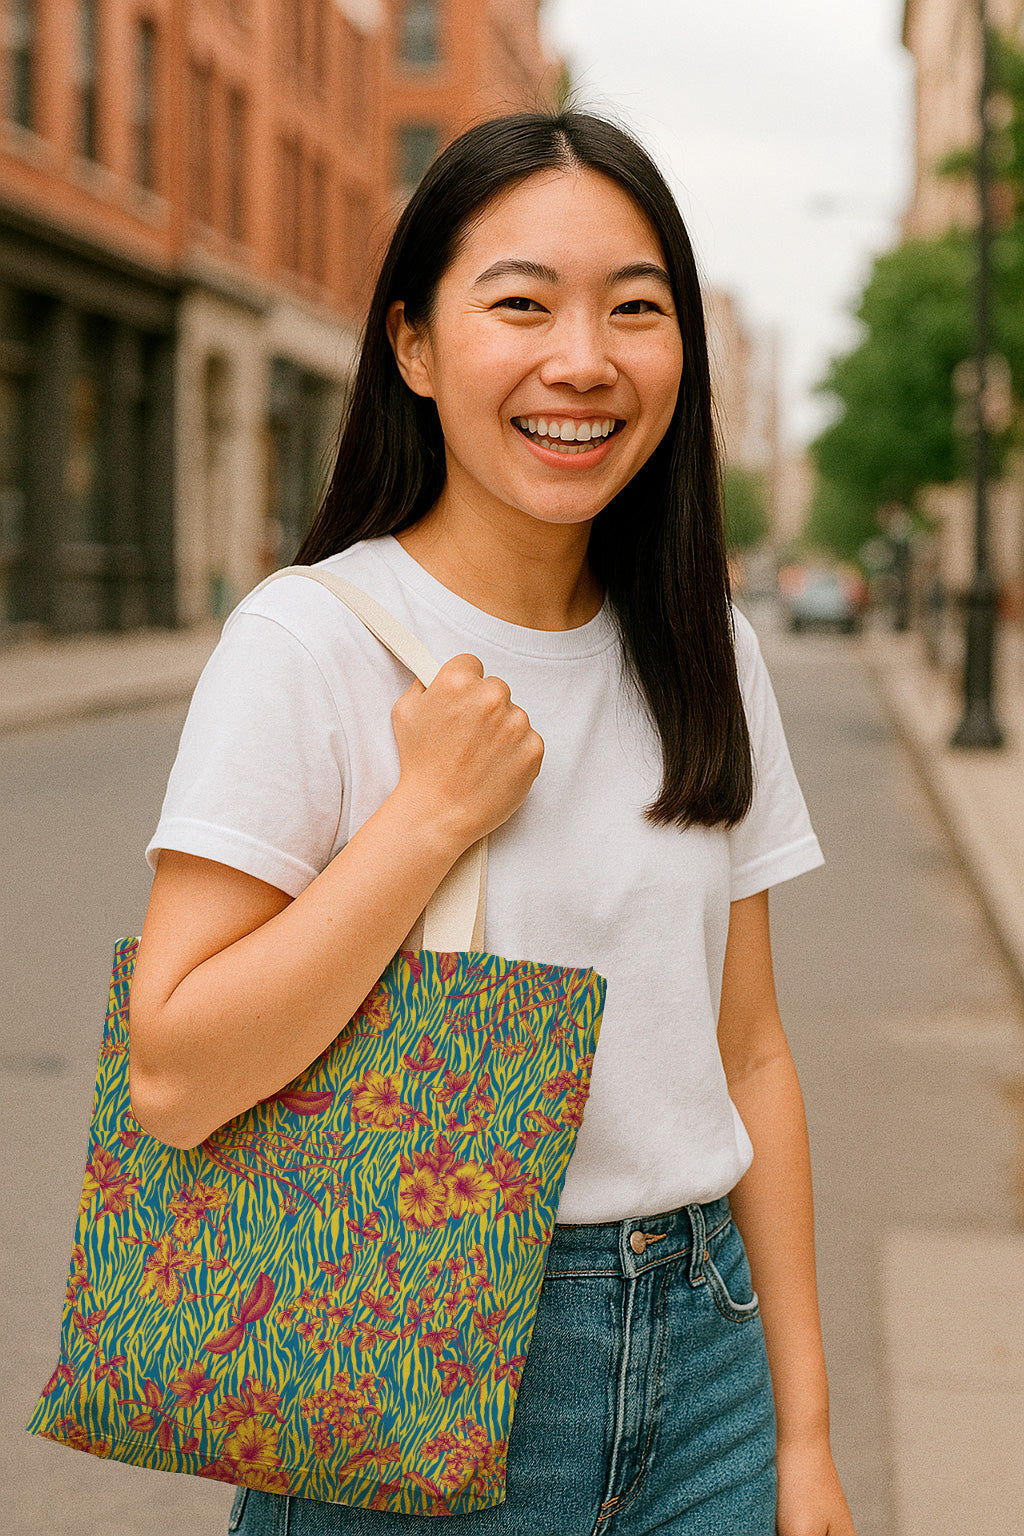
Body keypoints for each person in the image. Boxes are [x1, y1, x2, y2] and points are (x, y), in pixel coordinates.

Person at [128, 111, 855, 1536]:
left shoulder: (705, 644)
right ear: (413, 346)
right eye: (520, 303)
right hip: (409, 1331)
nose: (581, 360)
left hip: (704, 1363)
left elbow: (751, 1050)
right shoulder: (312, 641)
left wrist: (804, 1433)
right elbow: (174, 1072)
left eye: (635, 311)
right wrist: (423, 822)